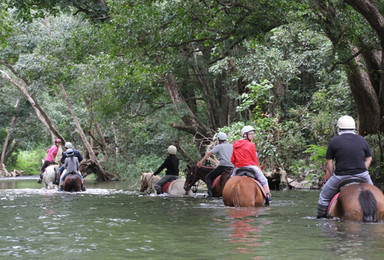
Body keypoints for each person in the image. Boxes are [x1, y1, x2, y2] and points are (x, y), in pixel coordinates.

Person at [317, 115, 373, 218]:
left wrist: (331, 175)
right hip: (362, 175)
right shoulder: (362, 140)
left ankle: (321, 219)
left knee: (323, 197)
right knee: (374, 194)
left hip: (341, 176)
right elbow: (369, 158)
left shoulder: (334, 141)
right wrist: (363, 170)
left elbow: (329, 161)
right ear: (354, 128)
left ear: (339, 128)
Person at [231, 125, 271, 200]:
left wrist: (236, 164)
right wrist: (257, 166)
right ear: (245, 135)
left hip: (238, 167)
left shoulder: (235, 144)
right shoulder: (251, 145)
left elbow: (233, 159)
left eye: (253, 134)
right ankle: (268, 197)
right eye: (251, 134)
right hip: (250, 166)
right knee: (264, 180)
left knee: (230, 181)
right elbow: (254, 159)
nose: (253, 136)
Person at [197, 132, 233, 197]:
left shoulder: (218, 147)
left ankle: (211, 195)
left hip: (223, 167)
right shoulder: (232, 146)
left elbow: (209, 154)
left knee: (208, 178)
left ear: (219, 139)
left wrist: (201, 162)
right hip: (232, 167)